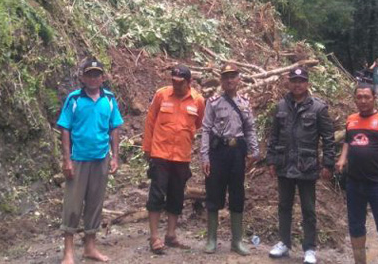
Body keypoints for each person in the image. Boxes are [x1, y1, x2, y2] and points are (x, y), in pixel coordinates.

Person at [57, 59, 124, 264]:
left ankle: (90, 247)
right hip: (79, 159)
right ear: (83, 78)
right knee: (73, 204)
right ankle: (68, 252)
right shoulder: (74, 99)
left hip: (100, 158)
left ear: (103, 78)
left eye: (97, 74)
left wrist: (115, 156)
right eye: (90, 74)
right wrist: (66, 160)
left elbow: (114, 128)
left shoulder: (109, 99)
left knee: (95, 203)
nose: (93, 78)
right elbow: (65, 128)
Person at [266, 67, 335, 264]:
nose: (297, 84)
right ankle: (284, 243)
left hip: (307, 165)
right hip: (285, 163)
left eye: (301, 81)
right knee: (284, 205)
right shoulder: (281, 106)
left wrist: (328, 164)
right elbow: (274, 135)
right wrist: (271, 159)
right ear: (289, 82)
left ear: (307, 83)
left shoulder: (318, 108)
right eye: (294, 80)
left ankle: (309, 248)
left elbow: (328, 139)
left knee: (308, 208)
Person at [336, 84, 378, 264]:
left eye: (367, 97)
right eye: (359, 97)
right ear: (355, 99)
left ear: (374, 98)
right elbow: (348, 142)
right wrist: (342, 159)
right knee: (356, 226)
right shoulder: (351, 120)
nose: (363, 100)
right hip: (354, 183)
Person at [143, 65, 205, 254]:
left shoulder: (198, 101)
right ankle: (154, 237)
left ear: (189, 82)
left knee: (176, 195)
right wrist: (147, 148)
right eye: (174, 82)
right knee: (156, 195)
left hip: (181, 156)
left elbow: (199, 123)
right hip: (160, 154)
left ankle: (171, 235)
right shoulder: (161, 95)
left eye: (181, 83)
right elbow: (150, 121)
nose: (176, 86)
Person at [200, 64, 260, 255]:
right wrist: (204, 156)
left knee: (237, 193)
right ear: (221, 80)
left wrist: (254, 151)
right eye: (226, 77)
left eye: (233, 76)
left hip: (237, 153)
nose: (229, 80)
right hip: (218, 152)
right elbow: (206, 129)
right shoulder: (214, 102)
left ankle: (237, 241)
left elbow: (250, 128)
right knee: (213, 193)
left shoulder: (244, 102)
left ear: (238, 79)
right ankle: (211, 239)